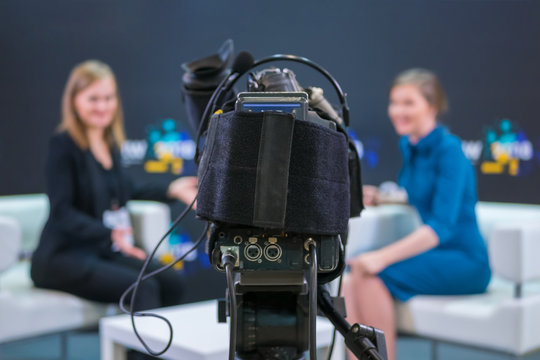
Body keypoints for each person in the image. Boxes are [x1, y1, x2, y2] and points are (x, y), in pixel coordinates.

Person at [342, 69, 491, 360]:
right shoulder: (410, 146)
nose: (398, 110)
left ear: (431, 106)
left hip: (465, 260)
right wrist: (383, 198)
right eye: (394, 102)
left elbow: (441, 227)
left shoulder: (450, 151)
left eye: (408, 103)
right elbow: (417, 193)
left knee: (370, 273)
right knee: (349, 280)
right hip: (434, 254)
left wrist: (381, 257)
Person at [30, 60, 198, 311]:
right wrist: (111, 235)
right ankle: (141, 351)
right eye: (93, 99)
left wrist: (171, 189)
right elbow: (61, 211)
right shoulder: (63, 145)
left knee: (171, 282)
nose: (102, 106)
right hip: (62, 256)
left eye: (108, 98)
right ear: (75, 101)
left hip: (100, 250)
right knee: (143, 287)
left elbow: (128, 190)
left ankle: (145, 351)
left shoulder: (108, 144)